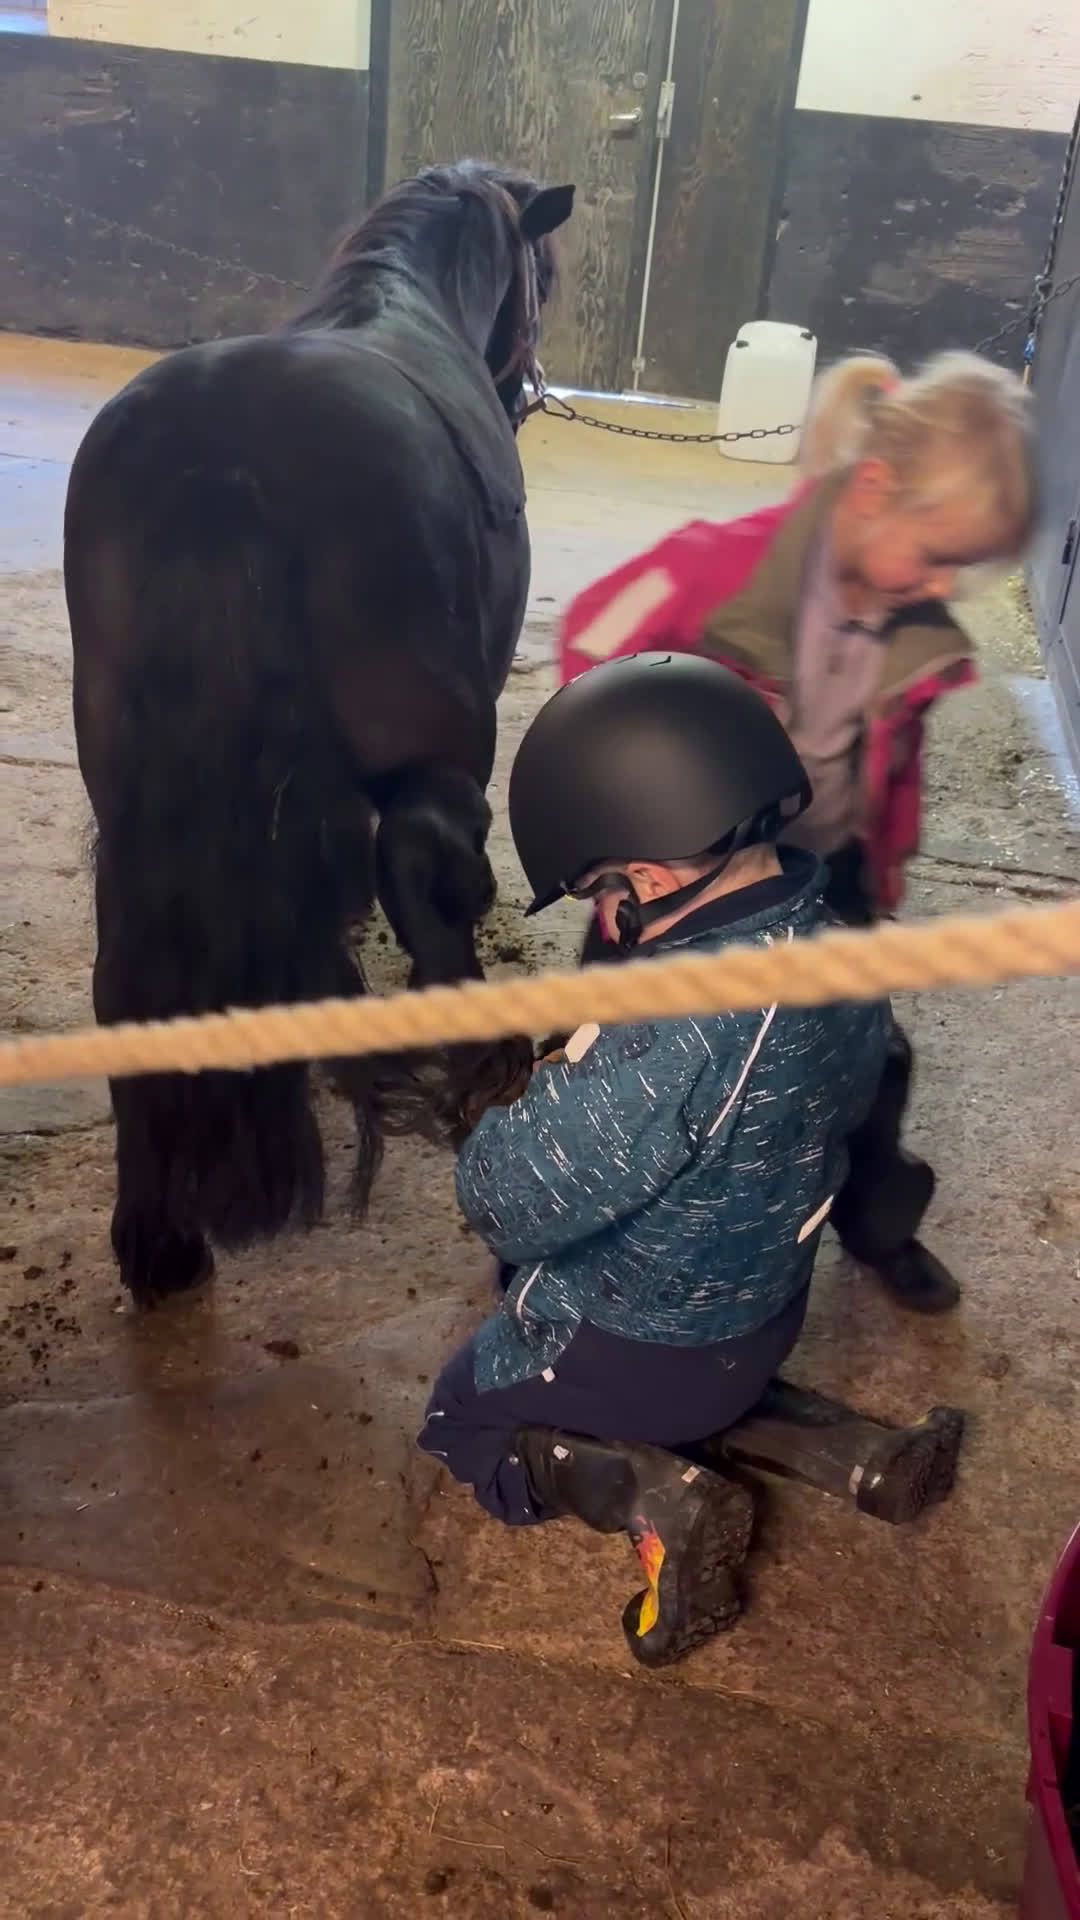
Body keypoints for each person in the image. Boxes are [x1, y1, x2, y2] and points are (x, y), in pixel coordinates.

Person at [419, 653, 903, 1669]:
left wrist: (514, 1111)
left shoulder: (674, 1028)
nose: (607, 906)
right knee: (689, 1347)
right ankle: (842, 1451)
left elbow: (509, 1207)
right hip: (763, 1317)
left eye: (600, 887)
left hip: (650, 1349)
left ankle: (643, 1495)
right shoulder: (848, 956)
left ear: (643, 876)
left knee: (463, 1419)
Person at [558, 350, 1038, 1314]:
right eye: (939, 553)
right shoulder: (718, 566)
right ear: (872, 489)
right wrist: (618, 862)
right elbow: (589, 645)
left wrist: (879, 873)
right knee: (610, 1058)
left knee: (866, 1059)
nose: (945, 583)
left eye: (965, 566)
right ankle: (563, 1224)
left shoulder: (913, 624)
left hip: (823, 875)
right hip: (678, 875)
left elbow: (890, 758)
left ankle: (877, 1223)